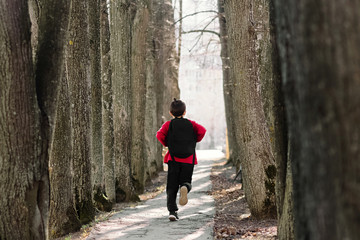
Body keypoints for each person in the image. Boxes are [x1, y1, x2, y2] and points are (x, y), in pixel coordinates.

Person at [156, 98, 206, 221]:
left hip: (173, 158)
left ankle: (172, 211)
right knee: (186, 180)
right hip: (189, 159)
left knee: (172, 186)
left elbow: (159, 135)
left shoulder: (168, 124)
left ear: (171, 113)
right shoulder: (191, 124)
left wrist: (167, 143)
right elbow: (202, 131)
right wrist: (194, 140)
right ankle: (185, 186)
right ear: (184, 112)